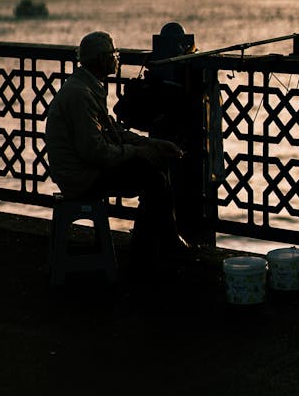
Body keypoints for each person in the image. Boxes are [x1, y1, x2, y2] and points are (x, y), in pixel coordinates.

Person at [45, 30, 194, 268]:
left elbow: (113, 132)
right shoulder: (80, 95)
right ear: (102, 60)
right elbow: (95, 152)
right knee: (153, 177)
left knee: (154, 167)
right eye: (114, 53)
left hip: (85, 168)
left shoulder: (87, 86)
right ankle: (152, 249)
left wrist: (151, 144)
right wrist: (137, 152)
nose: (117, 57)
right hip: (81, 177)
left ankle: (152, 247)